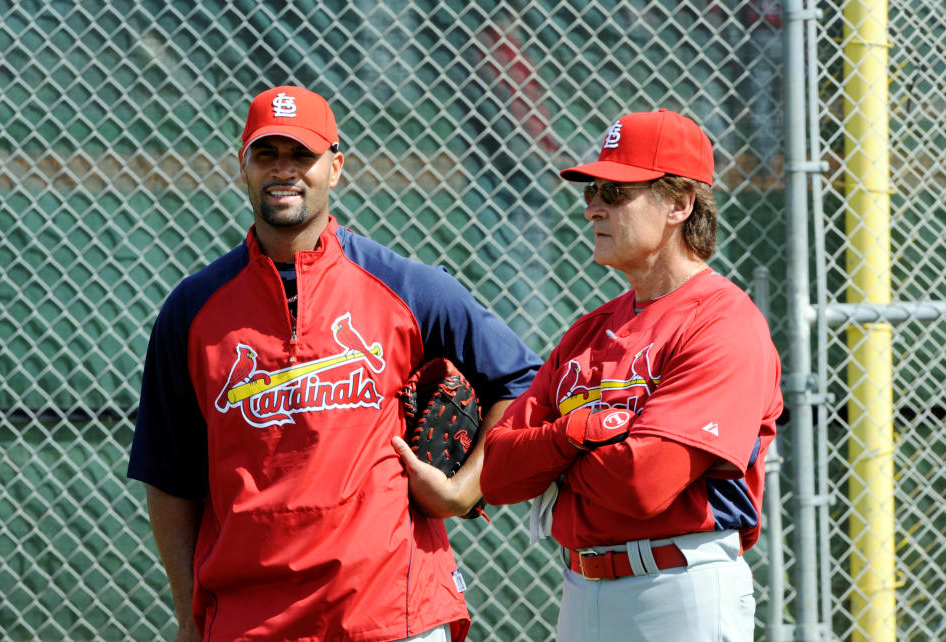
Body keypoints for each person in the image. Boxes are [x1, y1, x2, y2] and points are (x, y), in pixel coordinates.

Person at [127, 85, 541, 642]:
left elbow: (526, 381)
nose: (285, 170)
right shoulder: (193, 310)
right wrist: (189, 615)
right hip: (250, 618)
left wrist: (467, 487)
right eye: (267, 154)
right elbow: (168, 474)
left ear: (336, 167)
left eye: (303, 155)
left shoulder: (409, 288)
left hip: (389, 608)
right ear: (242, 167)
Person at [480, 109, 783, 641]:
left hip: (681, 586)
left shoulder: (724, 323)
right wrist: (579, 433)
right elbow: (500, 473)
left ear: (679, 204)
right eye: (590, 192)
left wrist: (551, 462)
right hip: (579, 588)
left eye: (615, 193)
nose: (593, 208)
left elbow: (644, 483)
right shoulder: (587, 332)